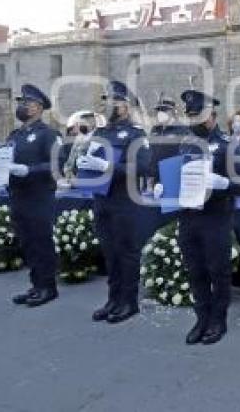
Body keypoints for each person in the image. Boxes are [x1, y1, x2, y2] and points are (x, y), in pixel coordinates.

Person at [155, 90, 238, 345]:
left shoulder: (227, 144)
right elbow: (176, 175)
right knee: (195, 270)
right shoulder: (185, 143)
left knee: (218, 271)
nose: (193, 121)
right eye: (190, 116)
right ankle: (201, 318)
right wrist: (163, 187)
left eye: (198, 115)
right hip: (188, 217)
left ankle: (218, 320)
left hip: (215, 218)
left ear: (212, 115)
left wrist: (224, 183)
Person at [79, 81, 150, 324]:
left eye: (114, 101)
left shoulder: (136, 134)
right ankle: (113, 299)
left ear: (125, 106)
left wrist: (109, 166)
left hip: (125, 201)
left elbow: (142, 166)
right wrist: (84, 166)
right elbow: (91, 162)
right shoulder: (101, 133)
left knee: (126, 253)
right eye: (106, 100)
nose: (109, 104)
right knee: (110, 253)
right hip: (103, 201)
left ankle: (129, 302)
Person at [7, 84, 63, 307]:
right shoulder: (16, 135)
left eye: (27, 103)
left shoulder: (49, 134)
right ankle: (36, 284)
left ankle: (48, 287)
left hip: (39, 195)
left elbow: (56, 164)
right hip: (18, 195)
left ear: (39, 108)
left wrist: (29, 170)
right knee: (27, 242)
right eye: (20, 102)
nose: (22, 106)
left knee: (41, 242)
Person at [148, 97, 185, 188]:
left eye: (164, 110)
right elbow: (151, 152)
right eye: (159, 110)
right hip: (155, 177)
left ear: (172, 112)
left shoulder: (181, 130)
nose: (161, 113)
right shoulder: (155, 129)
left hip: (172, 177)